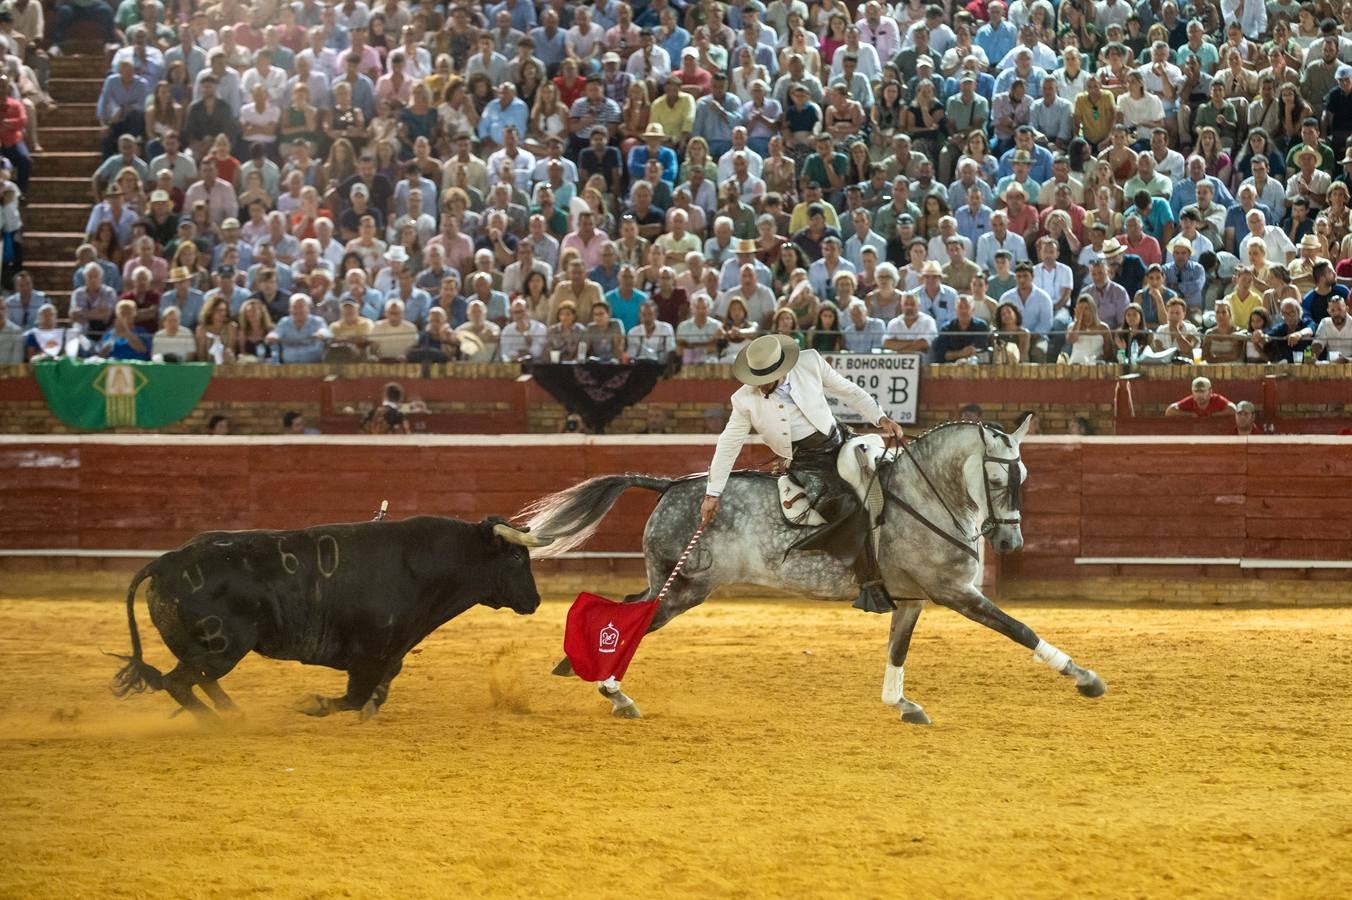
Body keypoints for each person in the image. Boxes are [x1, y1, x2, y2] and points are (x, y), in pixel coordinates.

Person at [700, 332, 907, 613]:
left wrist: (880, 418)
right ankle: (869, 583)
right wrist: (713, 493)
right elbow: (728, 444)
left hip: (841, 439)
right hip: (807, 463)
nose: (757, 387)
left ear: (779, 371)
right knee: (848, 507)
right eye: (754, 380)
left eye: (762, 381)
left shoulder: (810, 362)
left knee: (893, 477)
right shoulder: (743, 400)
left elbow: (848, 390)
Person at [1165, 376, 1236, 417]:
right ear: (1192, 392)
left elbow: (1233, 409)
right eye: (1196, 391)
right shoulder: (1190, 401)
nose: (1199, 395)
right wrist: (1190, 414)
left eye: (1202, 391)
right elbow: (1169, 411)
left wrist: (1214, 415)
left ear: (1210, 392)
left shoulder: (1216, 399)